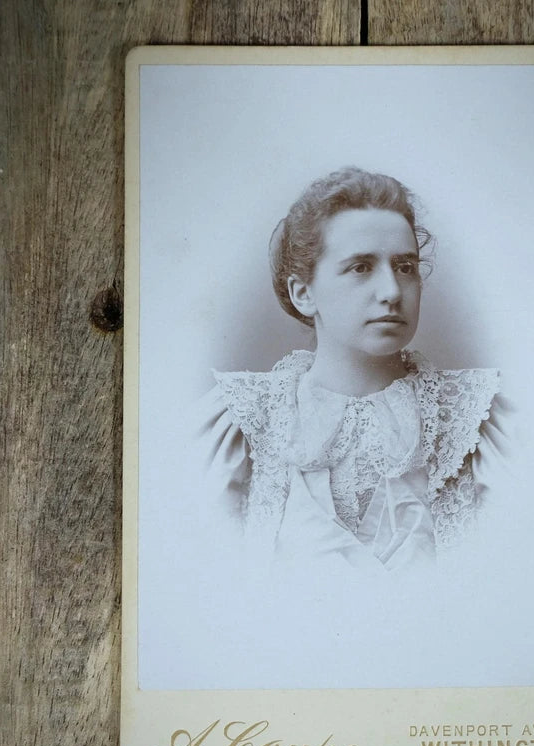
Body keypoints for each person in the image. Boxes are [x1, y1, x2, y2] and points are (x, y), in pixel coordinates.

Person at [197, 167, 509, 573]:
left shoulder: (477, 420)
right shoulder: (240, 421)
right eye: (361, 267)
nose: (392, 292)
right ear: (303, 293)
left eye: (405, 267)